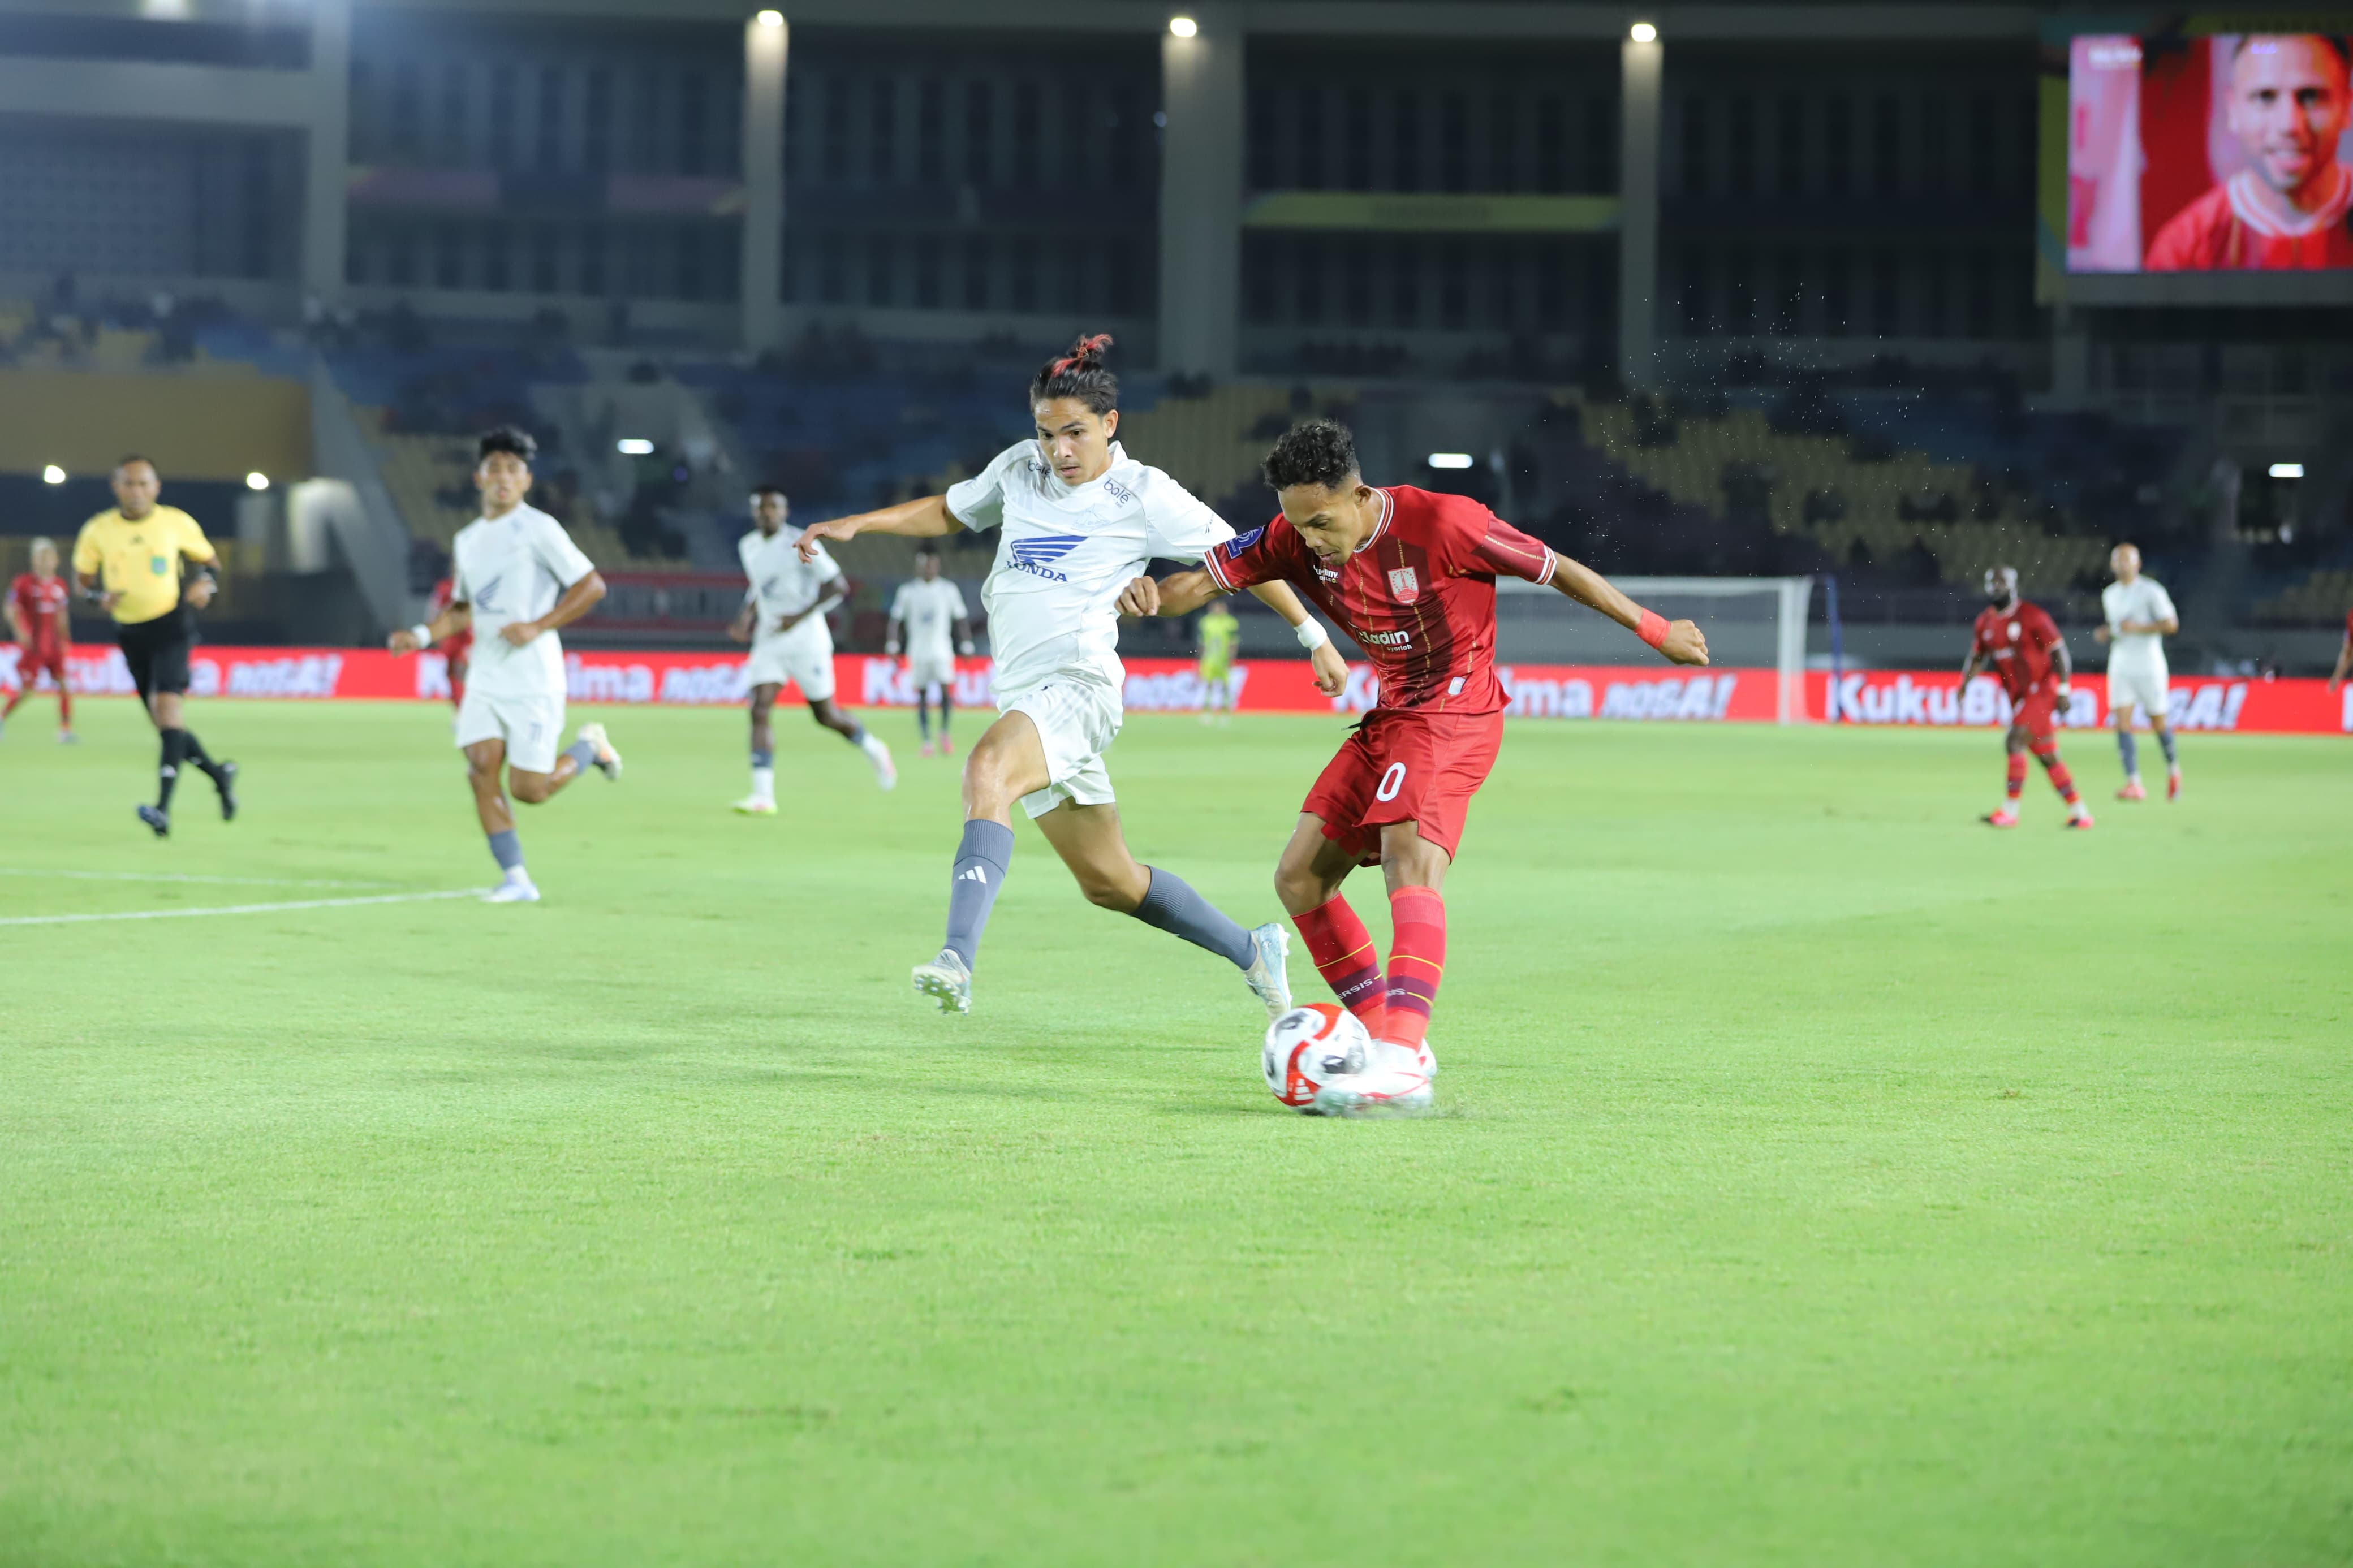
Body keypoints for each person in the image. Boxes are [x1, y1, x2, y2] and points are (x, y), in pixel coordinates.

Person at [1119, 417, 1710, 1113]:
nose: (1309, 539)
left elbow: (1556, 569)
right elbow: (1205, 580)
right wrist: (1151, 596)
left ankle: (1402, 1055)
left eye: (1320, 521)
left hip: (1457, 711)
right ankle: (1381, 1042)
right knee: (1299, 878)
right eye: (1297, 525)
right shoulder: (1290, 536)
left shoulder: (1444, 523)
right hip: (1392, 716)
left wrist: (1655, 630)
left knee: (1409, 858)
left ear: (1358, 495)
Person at [791, 332, 1349, 1017]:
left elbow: (1244, 554)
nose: (1059, 450)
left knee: (986, 770)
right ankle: (1253, 950)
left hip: (1079, 686)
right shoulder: (1021, 469)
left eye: (1075, 433)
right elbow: (950, 508)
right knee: (1109, 881)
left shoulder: (1143, 493)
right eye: (1047, 433)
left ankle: (955, 959)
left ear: (1110, 425)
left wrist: (1311, 634)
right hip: (1027, 694)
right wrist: (859, 523)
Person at [387, 426, 620, 904]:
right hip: (486, 675)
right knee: (479, 770)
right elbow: (464, 607)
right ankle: (516, 877)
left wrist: (539, 624)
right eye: (494, 468)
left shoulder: (540, 529)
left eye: (513, 470)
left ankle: (589, 748)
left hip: (534, 677)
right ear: (479, 477)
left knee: (530, 790)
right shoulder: (468, 539)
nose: (503, 478)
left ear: (526, 481)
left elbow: (592, 586)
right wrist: (421, 635)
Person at [71, 456, 235, 835]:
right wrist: (98, 597)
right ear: (116, 486)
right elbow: (82, 583)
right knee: (166, 725)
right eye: (130, 484)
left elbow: (210, 563)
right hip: (131, 633)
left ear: (157, 487)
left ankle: (162, 808)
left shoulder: (175, 523)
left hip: (171, 625)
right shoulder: (98, 530)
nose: (138, 491)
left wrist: (204, 585)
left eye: (144, 484)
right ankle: (220, 775)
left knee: (167, 709)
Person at [727, 482, 896, 815]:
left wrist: (798, 617)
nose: (767, 513)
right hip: (771, 639)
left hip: (807, 641)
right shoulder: (747, 546)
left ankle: (874, 748)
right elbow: (759, 589)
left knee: (826, 715)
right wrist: (744, 617)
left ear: (785, 512)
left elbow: (837, 585)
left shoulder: (799, 542)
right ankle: (764, 796)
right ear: (754, 512)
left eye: (774, 507)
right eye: (761, 508)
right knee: (759, 708)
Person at [2145, 34, 2353, 271]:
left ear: (2347, 106)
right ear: (2233, 110)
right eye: (2265, 97)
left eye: (2310, 96)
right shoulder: (2185, 247)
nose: (2289, 125)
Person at [1962, 566, 2093, 831]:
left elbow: (2059, 653)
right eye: (1992, 583)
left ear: (2014, 586)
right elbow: (1978, 656)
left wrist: (2064, 689)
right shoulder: (1985, 622)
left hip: (2041, 691)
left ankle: (2010, 812)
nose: (1996, 587)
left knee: (2014, 741)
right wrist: (1965, 683)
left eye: (2002, 582)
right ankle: (2080, 813)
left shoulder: (2033, 616)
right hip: (2019, 697)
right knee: (2047, 756)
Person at [2094, 543, 2182, 801]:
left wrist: (2138, 628)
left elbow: (2171, 625)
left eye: (2127, 560)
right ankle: (2134, 782)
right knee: (2121, 723)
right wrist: (2107, 632)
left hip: (2149, 665)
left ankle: (2173, 770)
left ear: (2138, 564)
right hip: (2121, 664)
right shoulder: (2109, 594)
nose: (2122, 565)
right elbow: (2118, 626)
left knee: (2158, 721)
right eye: (2118, 561)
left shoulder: (2151, 591)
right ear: (2112, 565)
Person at [886, 543, 973, 757]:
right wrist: (893, 643)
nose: (928, 569)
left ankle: (944, 732)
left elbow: (960, 618)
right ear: (918, 566)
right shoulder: (907, 591)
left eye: (932, 565)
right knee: (922, 695)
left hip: (942, 649)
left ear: (938, 566)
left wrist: (966, 643)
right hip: (917, 651)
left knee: (945, 691)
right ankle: (926, 740)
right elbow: (895, 620)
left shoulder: (948, 590)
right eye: (924, 565)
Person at [3, 537, 75, 743]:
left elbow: (62, 615)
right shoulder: (23, 583)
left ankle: (65, 730)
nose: (45, 561)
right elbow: (11, 609)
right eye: (41, 557)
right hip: (34, 647)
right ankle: (2, 717)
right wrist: (20, 632)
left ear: (56, 560)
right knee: (27, 689)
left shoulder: (59, 586)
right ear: (34, 560)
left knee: (63, 684)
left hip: (53, 647)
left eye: (49, 557)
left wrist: (66, 638)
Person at [426, 572, 470, 707]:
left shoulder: (472, 583)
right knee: (450, 672)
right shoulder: (445, 586)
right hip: (450, 637)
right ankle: (459, 708)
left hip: (468, 637)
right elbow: (435, 607)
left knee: (463, 670)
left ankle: (468, 707)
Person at [1196, 599, 1240, 725]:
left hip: (1223, 659)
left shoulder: (1230, 623)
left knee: (1225, 687)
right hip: (1209, 659)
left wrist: (1231, 659)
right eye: (1215, 607)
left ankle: (1225, 713)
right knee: (1208, 685)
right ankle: (1207, 712)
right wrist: (1199, 659)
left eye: (1220, 607)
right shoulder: (1205, 622)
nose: (1217, 609)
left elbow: (1233, 643)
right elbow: (1202, 642)